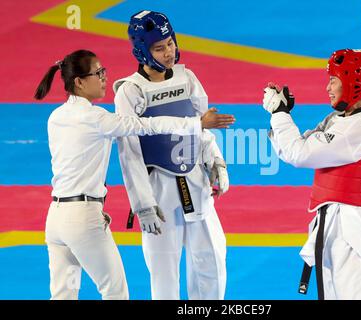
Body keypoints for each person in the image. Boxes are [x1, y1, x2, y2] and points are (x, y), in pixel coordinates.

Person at [35, 49, 234, 300]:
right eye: (98, 73)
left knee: (64, 295)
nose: (104, 77)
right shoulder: (97, 118)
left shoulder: (56, 117)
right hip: (83, 219)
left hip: (56, 219)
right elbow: (147, 126)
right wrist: (197, 124)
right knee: (115, 293)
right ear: (79, 82)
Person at [263, 48, 361, 300]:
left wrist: (280, 114)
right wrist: (280, 115)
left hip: (351, 232)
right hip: (338, 226)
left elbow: (299, 153)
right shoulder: (342, 120)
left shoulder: (357, 129)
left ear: (353, 83)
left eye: (333, 80)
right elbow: (298, 147)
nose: (327, 87)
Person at [113, 10, 230, 300]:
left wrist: (215, 161)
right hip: (158, 188)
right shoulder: (130, 91)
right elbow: (129, 155)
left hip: (194, 180)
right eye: (159, 47)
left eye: (170, 44)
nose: (168, 52)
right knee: (164, 272)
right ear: (141, 50)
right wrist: (142, 204)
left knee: (211, 259)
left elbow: (203, 123)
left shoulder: (186, 77)